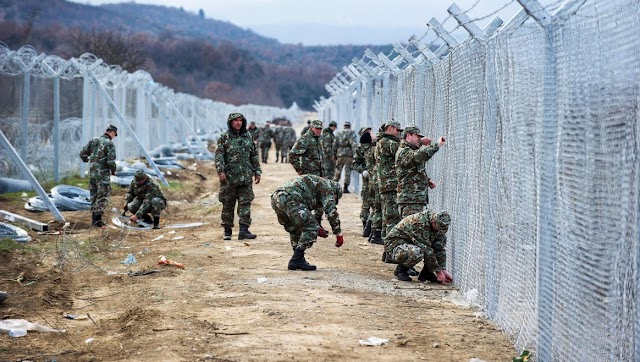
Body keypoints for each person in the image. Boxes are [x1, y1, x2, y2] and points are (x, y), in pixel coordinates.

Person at [271, 174, 344, 271]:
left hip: (276, 198)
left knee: (295, 228)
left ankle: (298, 259)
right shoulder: (328, 188)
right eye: (335, 199)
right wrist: (338, 233)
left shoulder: (319, 183)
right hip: (290, 199)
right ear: (335, 193)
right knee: (311, 226)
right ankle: (296, 259)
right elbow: (331, 212)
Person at [215, 112, 261, 240]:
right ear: (230, 122)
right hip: (229, 178)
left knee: (245, 204)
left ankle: (244, 230)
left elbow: (254, 155)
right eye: (235, 120)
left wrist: (257, 171)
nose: (238, 123)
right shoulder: (224, 138)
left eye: (240, 120)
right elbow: (219, 156)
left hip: (246, 177)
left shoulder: (248, 137)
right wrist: (221, 172)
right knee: (228, 204)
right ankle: (227, 231)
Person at [385, 210, 452, 283]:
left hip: (409, 244)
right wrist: (439, 272)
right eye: (439, 227)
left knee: (439, 242)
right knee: (417, 252)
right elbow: (427, 250)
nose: (440, 230)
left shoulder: (436, 224)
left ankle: (426, 273)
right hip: (395, 246)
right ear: (433, 222)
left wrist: (443, 269)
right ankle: (401, 270)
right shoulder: (419, 224)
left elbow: (439, 249)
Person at [396, 126, 446, 218]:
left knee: (414, 230)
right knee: (412, 230)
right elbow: (418, 156)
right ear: (408, 136)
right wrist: (436, 145)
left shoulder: (409, 150)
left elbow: (413, 172)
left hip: (414, 199)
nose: (419, 139)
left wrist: (427, 180)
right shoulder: (403, 152)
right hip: (410, 200)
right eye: (417, 136)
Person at [289, 120, 328, 233]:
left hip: (320, 175)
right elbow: (292, 155)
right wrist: (300, 170)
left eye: (320, 129)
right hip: (309, 176)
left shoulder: (319, 139)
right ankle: (306, 224)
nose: (319, 131)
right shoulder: (305, 139)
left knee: (320, 199)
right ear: (311, 128)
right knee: (308, 200)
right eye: (317, 129)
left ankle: (318, 224)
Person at [79, 124, 118, 228]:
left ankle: (94, 222)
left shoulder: (94, 141)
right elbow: (110, 161)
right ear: (112, 133)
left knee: (94, 196)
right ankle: (98, 223)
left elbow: (82, 153)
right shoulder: (109, 144)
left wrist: (90, 161)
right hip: (103, 175)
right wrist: (113, 171)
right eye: (114, 134)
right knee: (102, 196)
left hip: (92, 174)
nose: (114, 136)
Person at [375, 120, 403, 241]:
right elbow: (402, 149)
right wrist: (419, 141)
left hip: (387, 184)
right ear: (390, 129)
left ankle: (387, 246)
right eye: (397, 130)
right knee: (392, 217)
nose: (398, 133)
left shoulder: (382, 141)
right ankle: (390, 247)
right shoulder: (386, 142)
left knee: (388, 216)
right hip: (389, 184)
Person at [352, 126, 374, 237]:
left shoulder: (376, 145)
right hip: (367, 179)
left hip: (377, 178)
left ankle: (372, 225)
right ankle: (365, 223)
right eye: (367, 132)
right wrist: (363, 170)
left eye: (370, 131)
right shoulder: (360, 148)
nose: (370, 133)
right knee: (366, 201)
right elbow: (355, 163)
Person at [333, 121, 357, 193]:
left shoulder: (338, 133)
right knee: (347, 171)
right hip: (348, 155)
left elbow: (335, 144)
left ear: (344, 126)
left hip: (339, 154)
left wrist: (334, 154)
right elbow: (354, 144)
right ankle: (345, 188)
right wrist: (355, 155)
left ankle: (334, 186)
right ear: (349, 126)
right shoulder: (351, 132)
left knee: (337, 171)